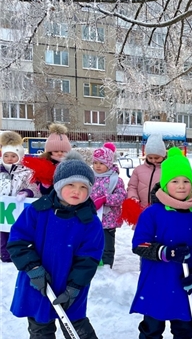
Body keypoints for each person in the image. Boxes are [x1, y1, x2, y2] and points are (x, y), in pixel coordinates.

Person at [7, 151, 104, 339]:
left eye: (83, 187)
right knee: (40, 328)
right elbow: (18, 242)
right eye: (71, 185)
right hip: (37, 282)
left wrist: (74, 287)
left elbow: (89, 258)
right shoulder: (37, 211)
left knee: (76, 328)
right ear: (59, 186)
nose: (77, 191)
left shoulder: (90, 222)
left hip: (71, 286)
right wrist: (33, 268)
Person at [130, 147, 192, 339]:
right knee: (152, 329)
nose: (181, 186)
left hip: (185, 283)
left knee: (184, 330)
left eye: (186, 181)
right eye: (175, 181)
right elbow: (139, 244)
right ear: (164, 184)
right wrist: (166, 252)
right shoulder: (152, 213)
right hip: (157, 282)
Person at [0, 131, 40, 263]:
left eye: (13, 156)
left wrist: (27, 192)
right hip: (3, 210)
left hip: (18, 208)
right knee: (2, 233)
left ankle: (17, 255)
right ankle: (4, 256)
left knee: (16, 233)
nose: (10, 158)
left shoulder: (26, 172)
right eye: (6, 155)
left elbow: (34, 187)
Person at [91, 142, 127, 268]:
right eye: (95, 163)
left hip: (108, 220)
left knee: (107, 245)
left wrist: (106, 199)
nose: (98, 166)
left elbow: (121, 196)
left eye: (101, 163)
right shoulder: (90, 177)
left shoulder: (116, 179)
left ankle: (106, 266)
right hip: (92, 218)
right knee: (91, 243)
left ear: (109, 163)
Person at [22, 123, 72, 196]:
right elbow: (35, 184)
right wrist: (44, 184)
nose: (60, 153)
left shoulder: (71, 163)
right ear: (50, 151)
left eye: (63, 151)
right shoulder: (43, 163)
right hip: (46, 196)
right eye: (56, 151)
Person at [126, 133, 166, 209]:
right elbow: (132, 186)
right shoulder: (138, 170)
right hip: (141, 209)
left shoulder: (167, 170)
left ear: (163, 156)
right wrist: (133, 197)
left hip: (160, 210)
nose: (153, 160)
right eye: (150, 157)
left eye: (157, 158)